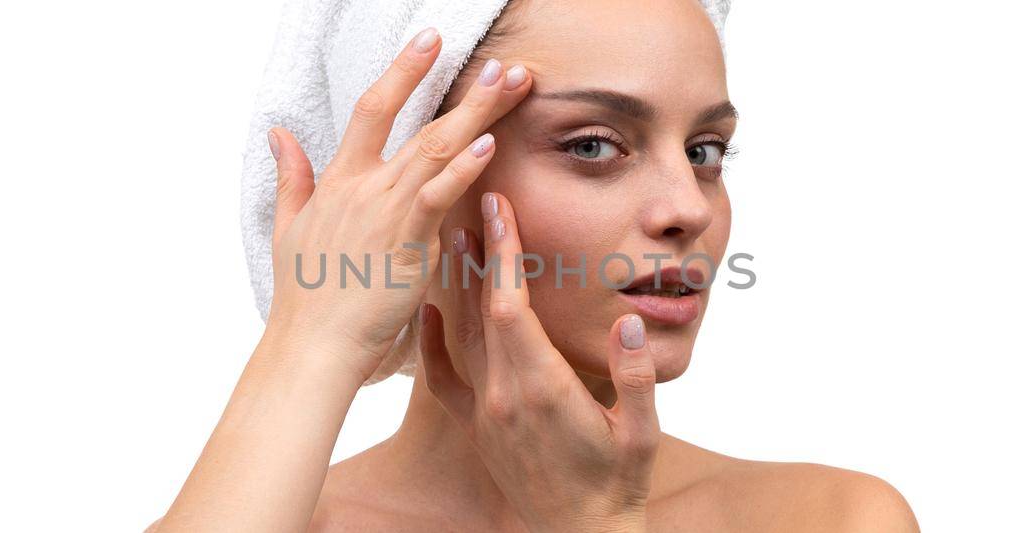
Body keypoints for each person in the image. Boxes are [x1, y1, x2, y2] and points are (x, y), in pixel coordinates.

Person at [152, 0, 919, 530]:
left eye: (705, 151)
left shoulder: (833, 519)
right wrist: (310, 338)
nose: (688, 206)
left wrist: (592, 524)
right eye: (592, 144)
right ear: (414, 178)